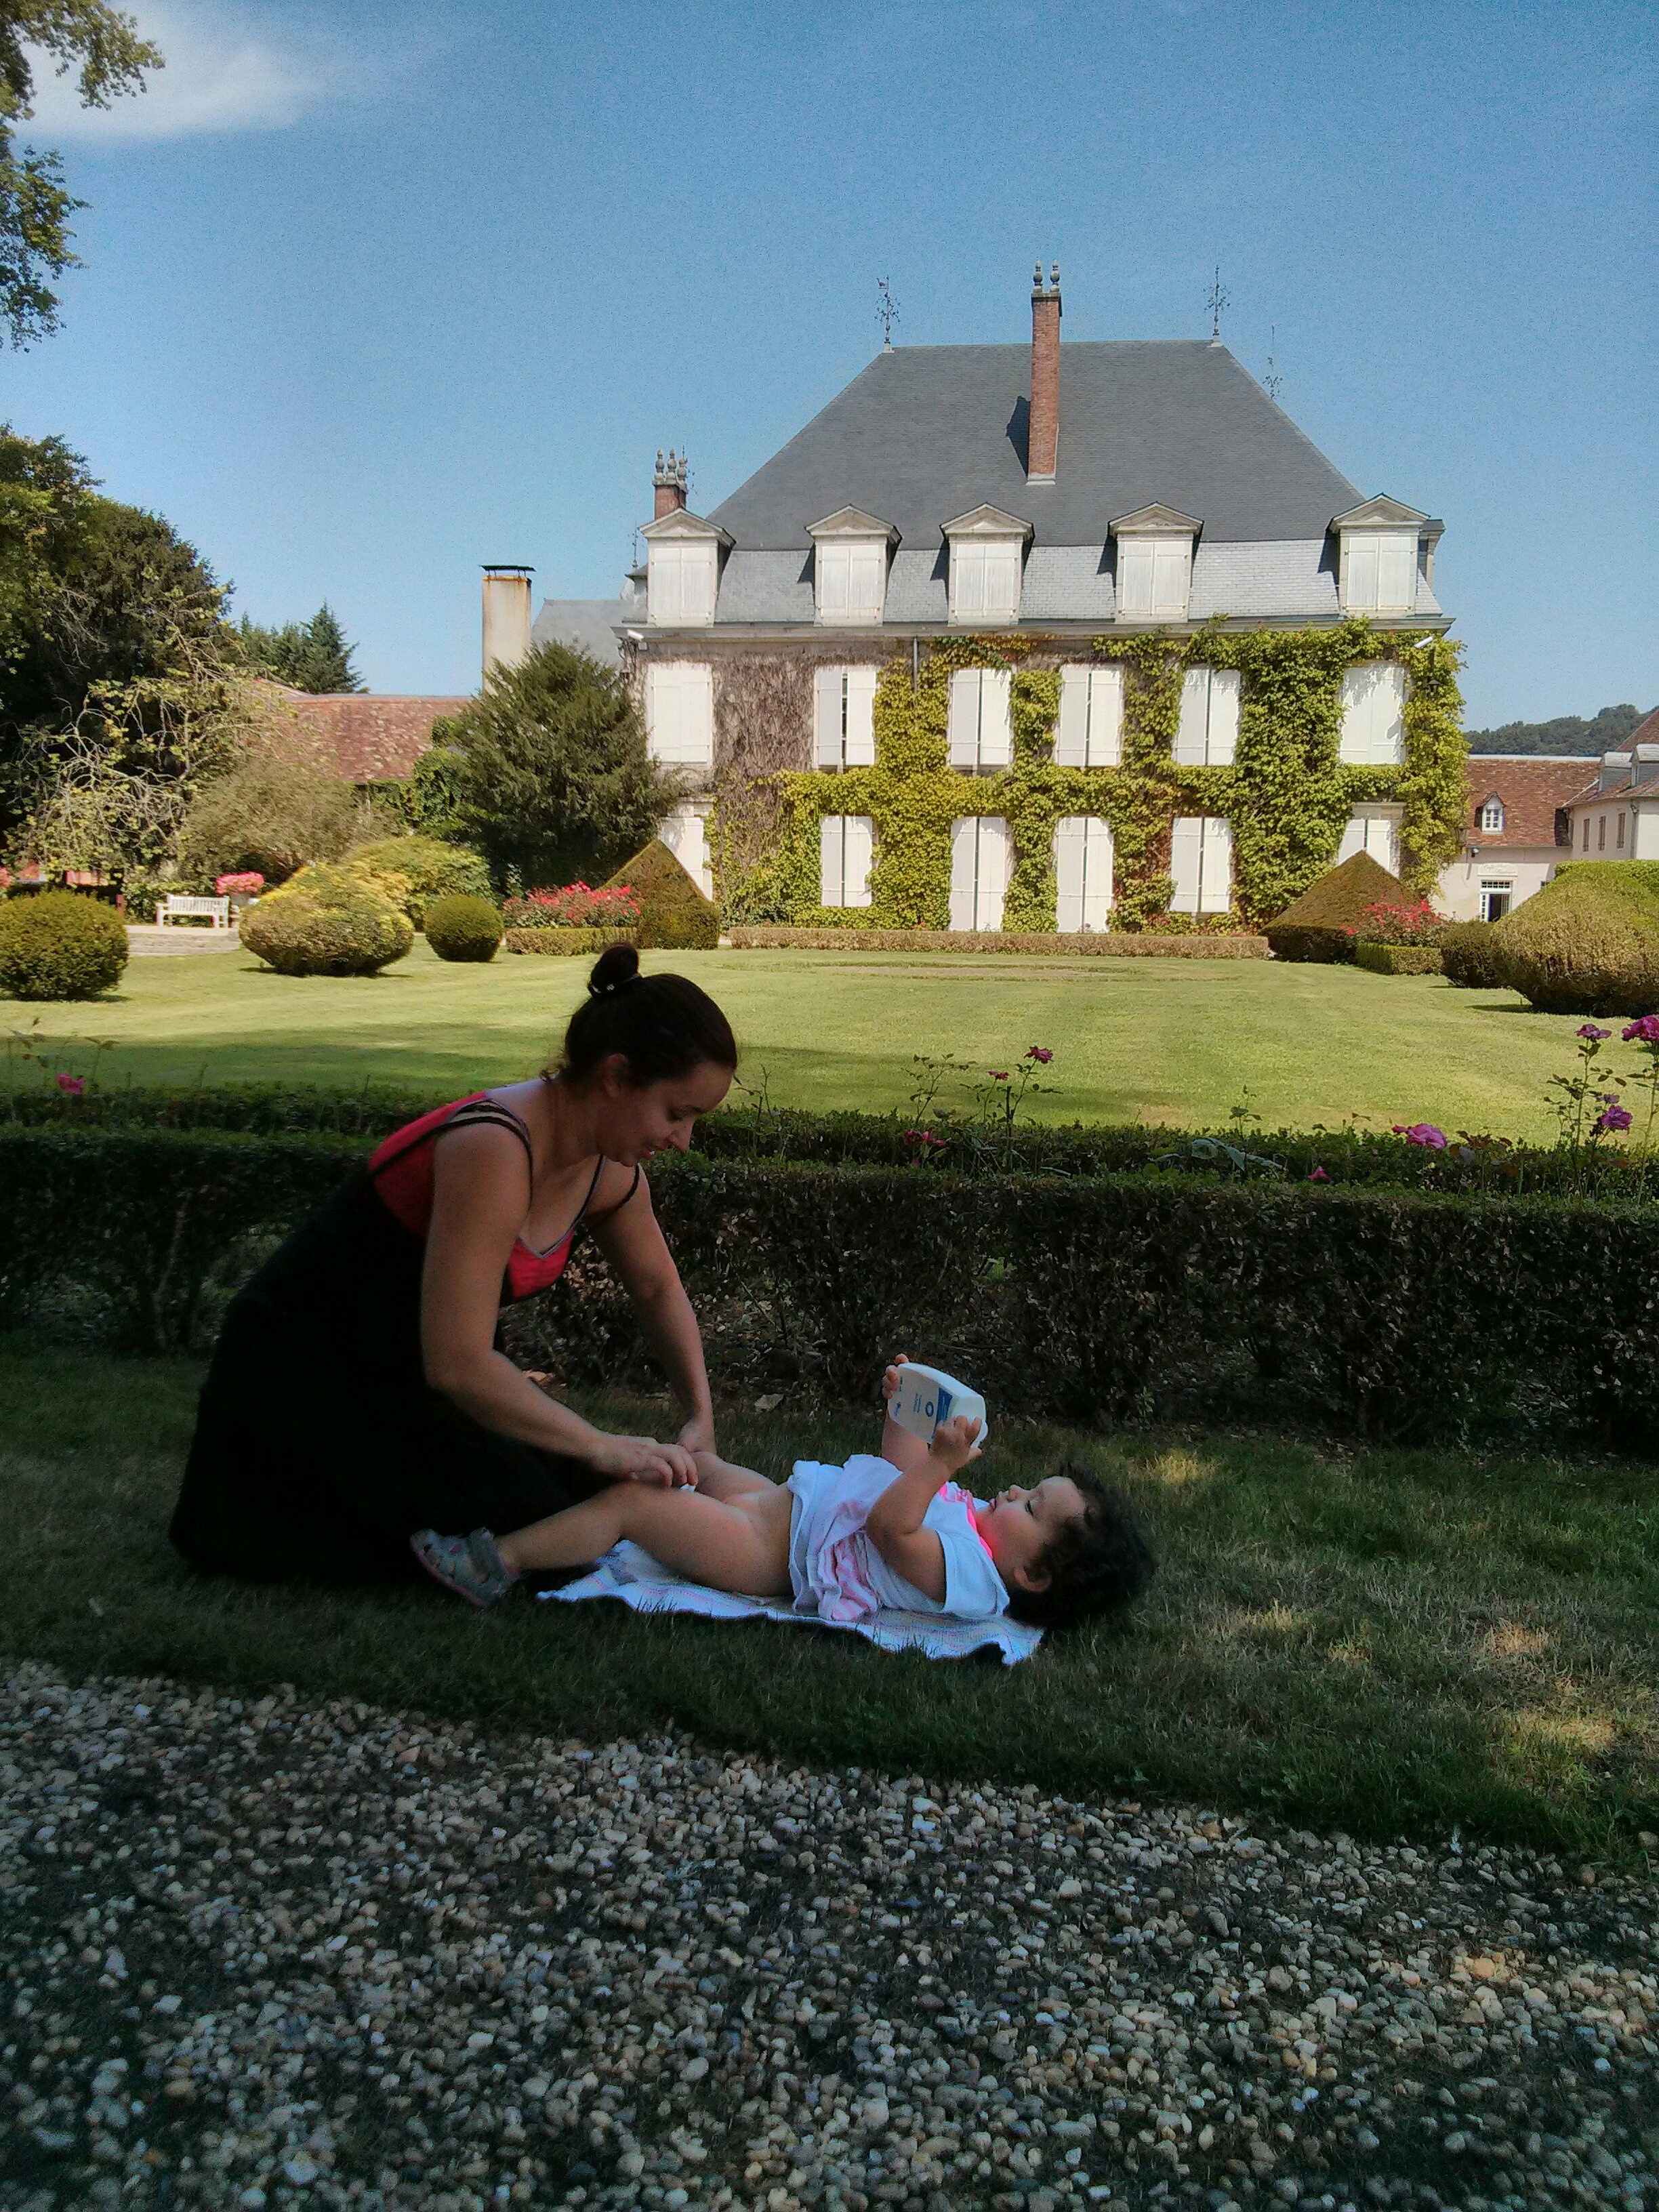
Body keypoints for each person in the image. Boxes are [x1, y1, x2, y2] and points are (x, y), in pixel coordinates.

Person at [170, 943, 737, 1582]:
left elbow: (657, 1288)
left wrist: (700, 1417)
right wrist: (599, 1445)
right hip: (307, 1379)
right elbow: (457, 1362)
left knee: (597, 1499)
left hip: (418, 1380)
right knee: (550, 1526)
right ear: (615, 1076)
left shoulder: (610, 1173)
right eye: (677, 1114)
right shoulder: (493, 1145)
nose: (683, 1140)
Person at [411, 1359, 1155, 1630]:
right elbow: (893, 1472)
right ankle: (565, 1481)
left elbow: (892, 1529)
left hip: (768, 1555)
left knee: (636, 1507)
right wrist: (905, 1408)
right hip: (781, 1504)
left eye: (1032, 1507)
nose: (1016, 1491)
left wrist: (939, 1468)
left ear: (1032, 1574)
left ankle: (495, 1562)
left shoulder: (971, 1578)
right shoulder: (967, 1519)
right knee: (691, 1466)